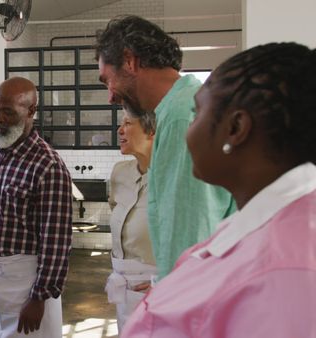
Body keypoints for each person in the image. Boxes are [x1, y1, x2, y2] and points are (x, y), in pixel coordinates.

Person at [123, 42, 316, 337]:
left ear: (235, 128)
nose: (188, 128)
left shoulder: (287, 273)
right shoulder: (256, 226)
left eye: (197, 113)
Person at [95, 15, 235, 279]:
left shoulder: (181, 118)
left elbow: (187, 238)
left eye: (107, 80)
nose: (111, 96)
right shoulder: (182, 107)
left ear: (129, 61)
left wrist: (166, 298)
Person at [0, 77, 72, 337]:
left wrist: (39, 297)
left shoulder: (48, 166)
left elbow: (55, 241)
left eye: (8, 111)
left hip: (27, 284)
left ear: (31, 111)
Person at [105, 109, 157, 331]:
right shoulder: (120, 172)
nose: (120, 130)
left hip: (159, 290)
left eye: (127, 123)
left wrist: (164, 282)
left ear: (152, 131)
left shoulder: (173, 178)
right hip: (124, 290)